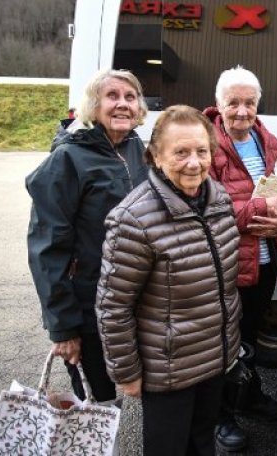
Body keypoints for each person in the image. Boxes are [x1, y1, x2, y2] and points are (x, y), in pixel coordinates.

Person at [96, 105, 241, 456]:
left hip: (215, 357)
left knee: (202, 442)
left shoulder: (218, 198)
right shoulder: (133, 219)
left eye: (201, 151)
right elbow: (113, 306)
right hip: (169, 368)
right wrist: (126, 372)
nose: (194, 162)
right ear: (156, 157)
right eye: (180, 152)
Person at [26, 69, 149, 405]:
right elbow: (47, 248)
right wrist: (63, 328)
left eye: (130, 96)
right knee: (96, 406)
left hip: (129, 303)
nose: (122, 104)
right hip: (88, 307)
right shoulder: (68, 158)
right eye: (112, 96)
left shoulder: (137, 149)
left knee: (129, 393)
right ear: (93, 106)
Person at [203, 65, 277, 452]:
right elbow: (211, 208)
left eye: (250, 103)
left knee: (250, 338)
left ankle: (249, 397)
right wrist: (260, 210)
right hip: (222, 263)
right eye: (233, 103)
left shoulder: (269, 141)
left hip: (260, 260)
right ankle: (220, 417)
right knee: (222, 343)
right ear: (219, 103)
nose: (242, 111)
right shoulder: (205, 143)